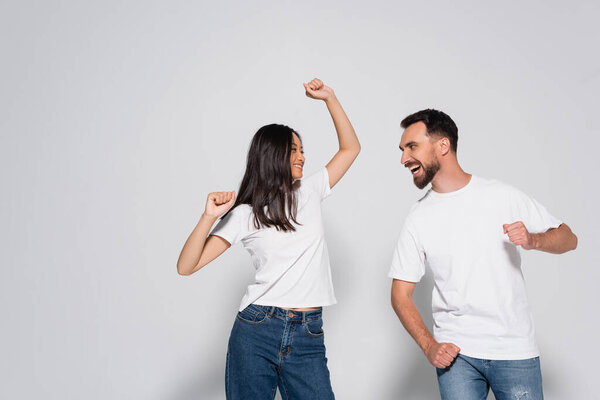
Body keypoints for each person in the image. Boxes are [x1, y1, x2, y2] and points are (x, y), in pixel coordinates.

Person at [177, 78, 360, 400]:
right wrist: (207, 217)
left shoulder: (311, 191)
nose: (302, 157)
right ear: (272, 155)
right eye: (294, 151)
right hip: (257, 329)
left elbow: (351, 148)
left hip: (308, 331)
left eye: (303, 150)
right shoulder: (246, 213)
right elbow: (186, 266)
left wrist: (329, 98)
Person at [389, 109, 577, 400]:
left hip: (513, 350)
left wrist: (532, 239)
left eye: (411, 147)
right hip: (457, 356)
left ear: (443, 146)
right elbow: (400, 294)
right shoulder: (418, 216)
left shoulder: (501, 196)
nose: (403, 159)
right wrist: (429, 346)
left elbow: (568, 238)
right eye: (402, 150)